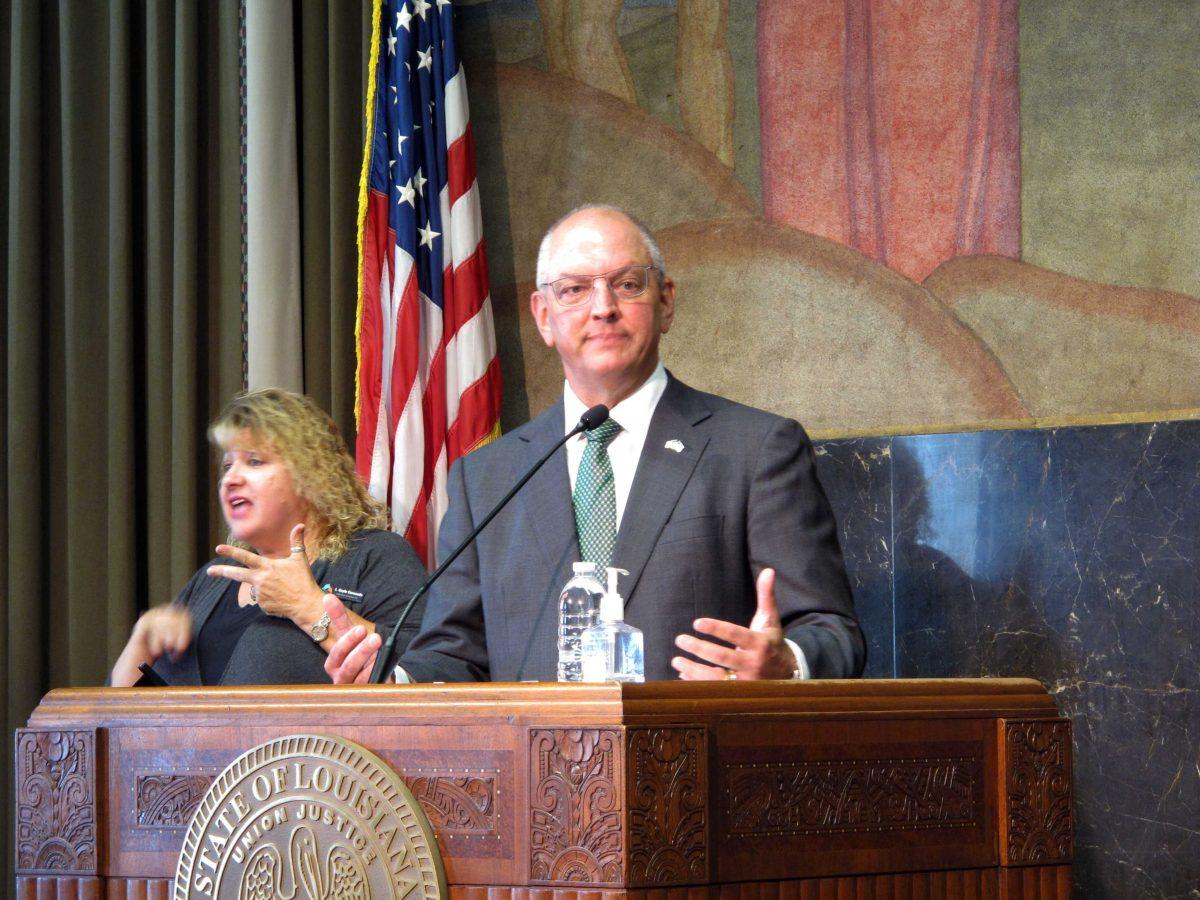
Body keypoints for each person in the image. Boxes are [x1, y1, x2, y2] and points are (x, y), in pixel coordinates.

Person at [325, 205, 865, 684]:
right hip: (535, 787)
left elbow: (833, 631)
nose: (602, 307)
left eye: (628, 284)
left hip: (702, 774)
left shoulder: (755, 450)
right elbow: (455, 653)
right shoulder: (487, 477)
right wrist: (395, 679)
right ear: (543, 317)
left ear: (667, 302)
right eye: (575, 289)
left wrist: (788, 661)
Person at [110, 389, 427, 686]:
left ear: (313, 474)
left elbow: (426, 672)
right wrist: (142, 641)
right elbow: (111, 726)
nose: (230, 479)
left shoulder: (373, 556)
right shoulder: (211, 582)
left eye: (255, 461)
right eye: (227, 466)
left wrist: (307, 606)